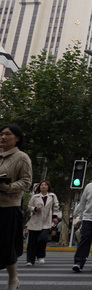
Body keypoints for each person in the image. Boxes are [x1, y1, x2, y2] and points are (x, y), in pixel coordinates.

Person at [0, 124, 33, 290]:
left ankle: (13, 279)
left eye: (7, 134)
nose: (3, 137)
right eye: (1, 134)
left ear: (17, 138)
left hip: (9, 207)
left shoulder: (22, 158)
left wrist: (7, 187)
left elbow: (26, 182)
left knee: (7, 245)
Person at [26, 180, 59, 266]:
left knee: (43, 238)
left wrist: (54, 217)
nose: (43, 186)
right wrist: (35, 209)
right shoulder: (35, 197)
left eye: (45, 185)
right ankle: (30, 260)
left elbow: (56, 206)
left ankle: (41, 255)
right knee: (32, 242)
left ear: (48, 187)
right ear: (39, 187)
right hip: (35, 221)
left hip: (46, 221)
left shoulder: (52, 196)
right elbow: (29, 206)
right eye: (41, 185)